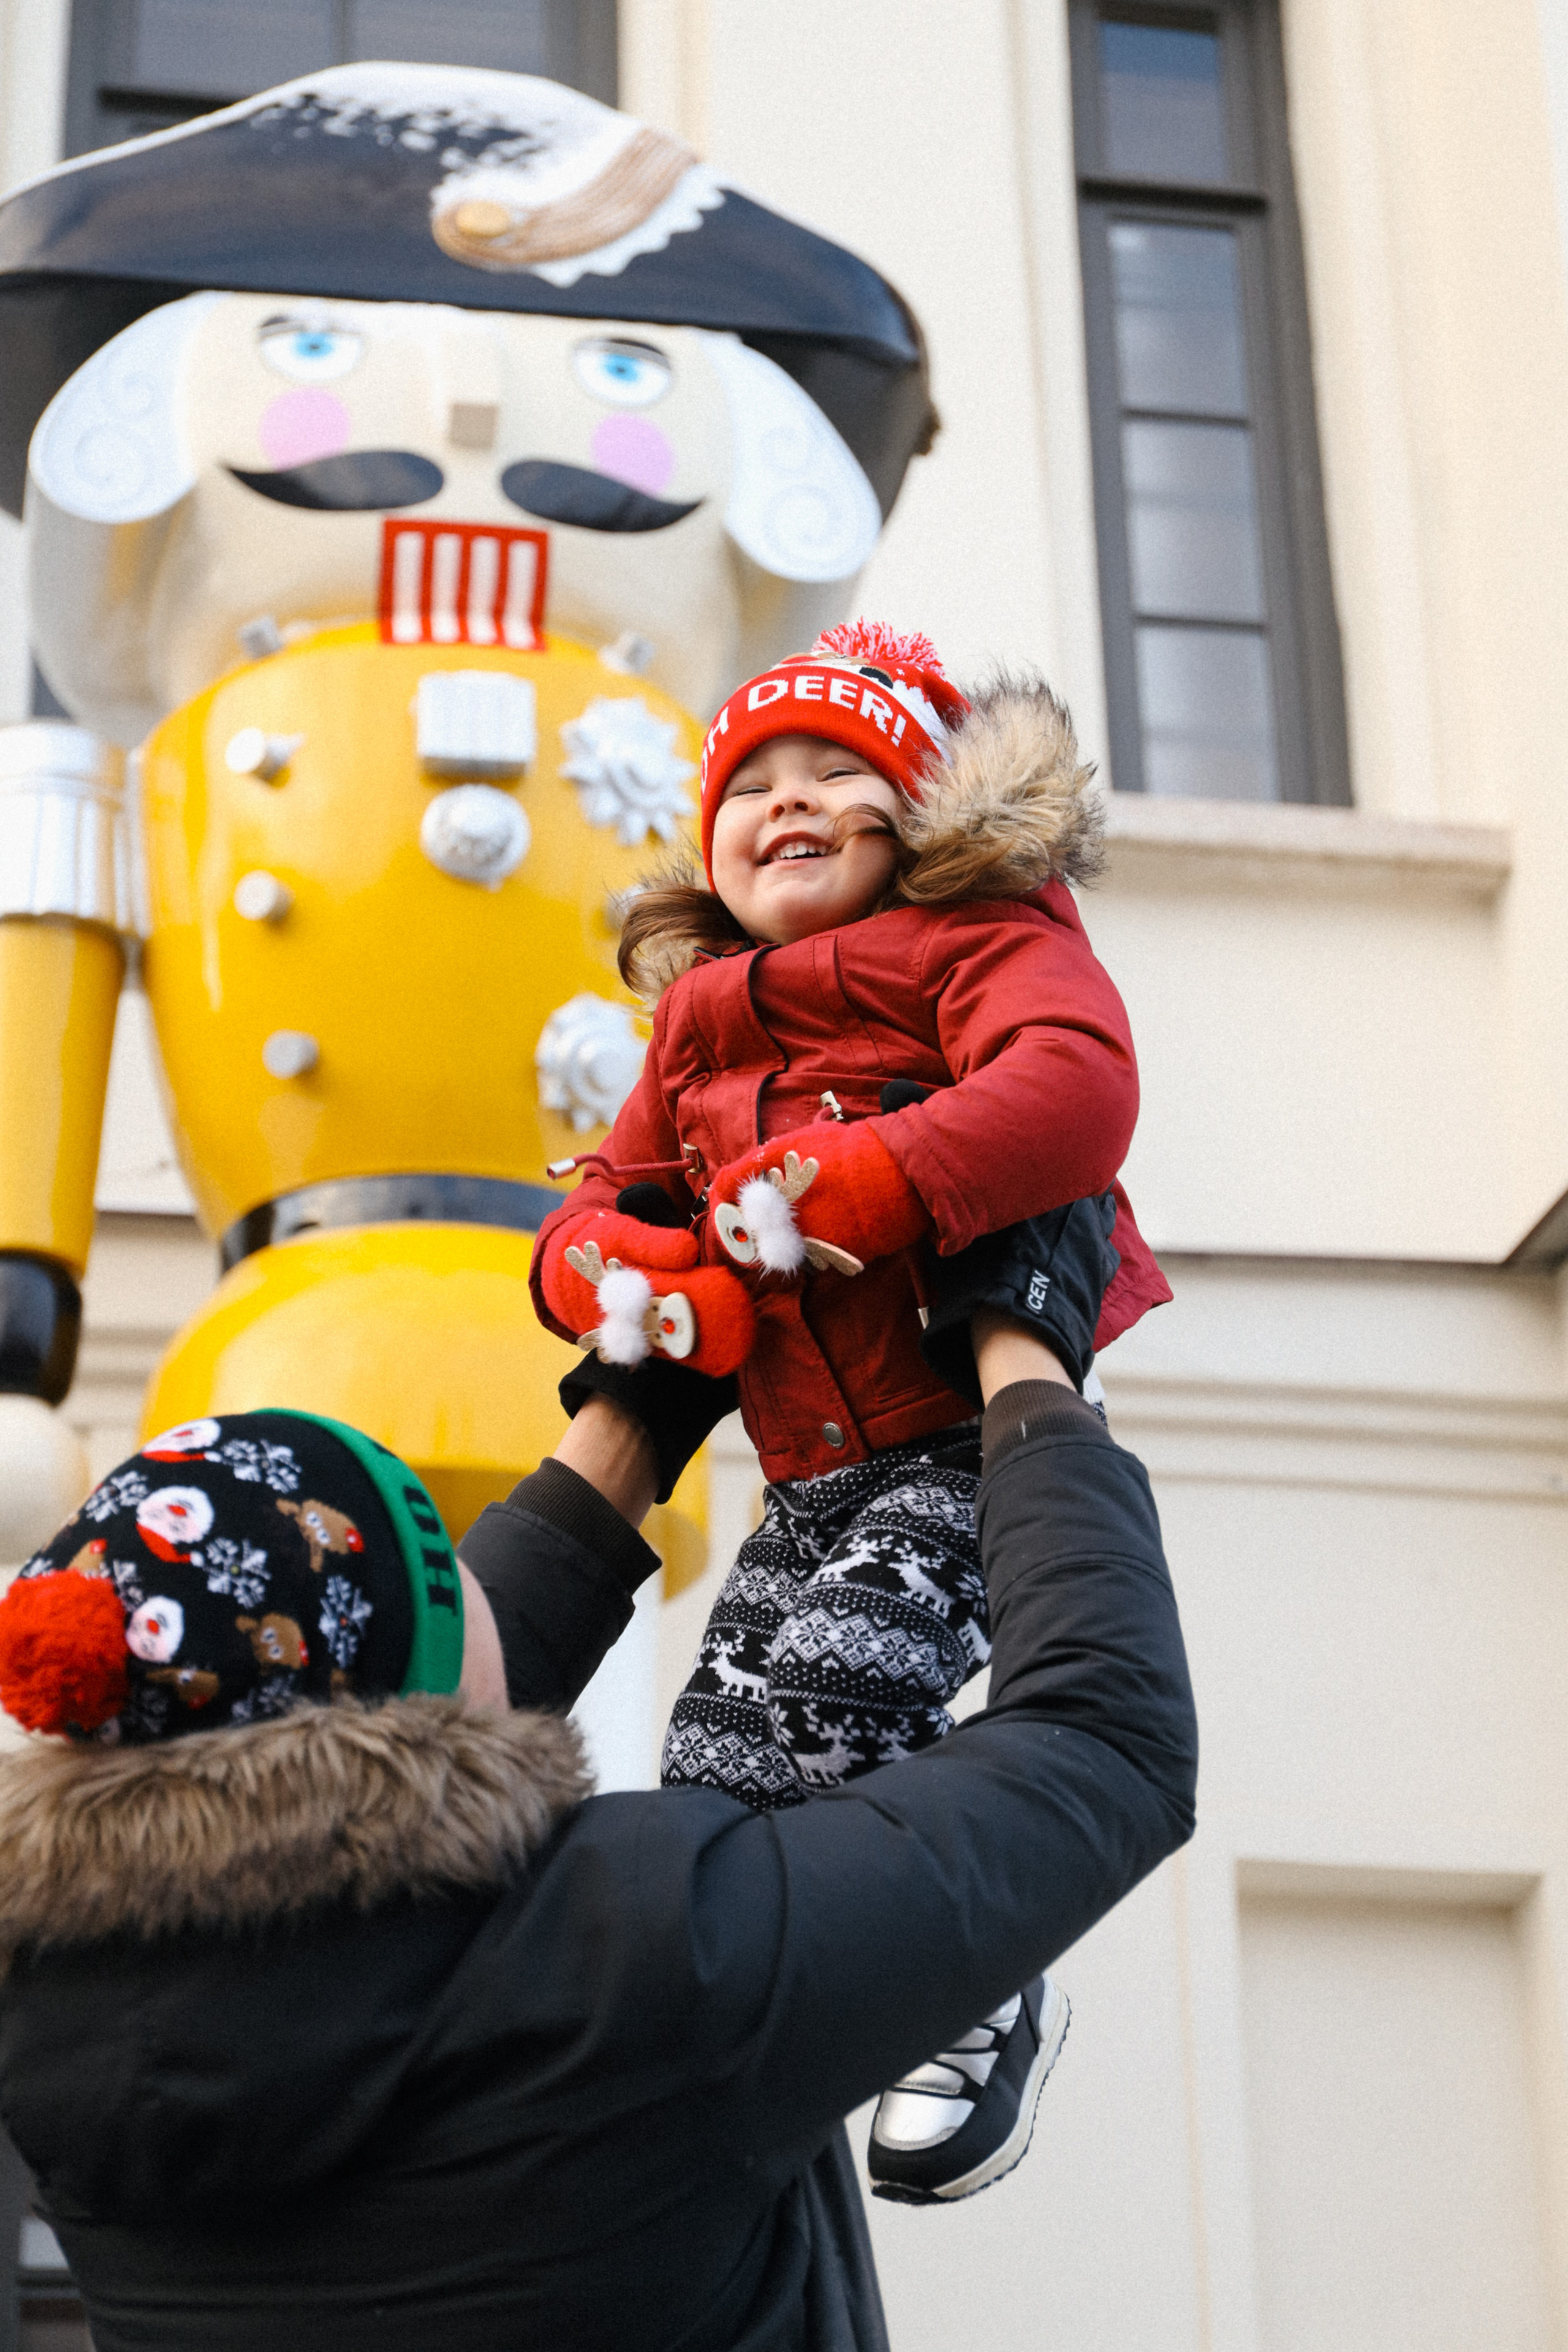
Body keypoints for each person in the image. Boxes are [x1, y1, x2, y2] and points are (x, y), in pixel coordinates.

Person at [0, 1289, 1196, 2352]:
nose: (474, 1572)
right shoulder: (641, 1964)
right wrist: (1026, 1353)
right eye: (444, 1559)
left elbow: (374, 1798)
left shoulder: (55, 2022)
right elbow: (1102, 1744)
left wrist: (634, 1416)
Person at [531, 620, 1171, 2198]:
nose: (786, 801)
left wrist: (869, 1178)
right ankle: (791, 2046)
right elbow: (601, 1204)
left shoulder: (983, 940)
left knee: (839, 1689)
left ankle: (969, 1988)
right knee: (714, 1770)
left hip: (964, 1435)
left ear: (920, 817)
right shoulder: (696, 1022)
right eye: (748, 784)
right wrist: (620, 1273)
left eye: (837, 770)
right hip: (805, 1468)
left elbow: (1072, 1086)